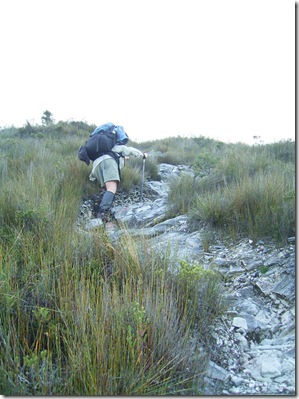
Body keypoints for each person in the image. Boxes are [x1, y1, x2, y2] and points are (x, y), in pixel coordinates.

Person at [89, 142, 147, 227]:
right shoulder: (116, 147)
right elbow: (129, 150)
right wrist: (142, 154)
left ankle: (96, 208)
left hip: (96, 165)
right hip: (108, 163)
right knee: (112, 188)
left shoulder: (104, 150)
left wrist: (92, 177)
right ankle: (102, 212)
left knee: (107, 189)